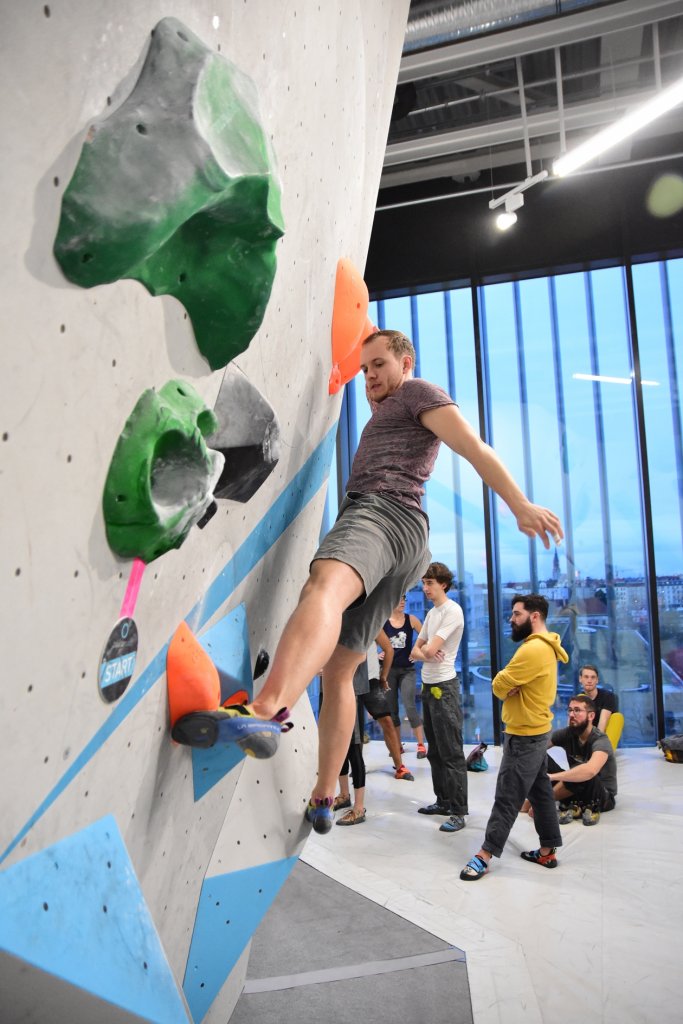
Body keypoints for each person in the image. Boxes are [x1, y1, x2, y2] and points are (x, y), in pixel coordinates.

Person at [171, 330, 563, 837]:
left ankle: (265, 709)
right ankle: (323, 796)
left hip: (381, 514)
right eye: (365, 370)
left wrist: (519, 504)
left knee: (324, 588)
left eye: (380, 365)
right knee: (340, 670)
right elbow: (370, 335)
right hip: (406, 542)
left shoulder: (417, 392)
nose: (371, 376)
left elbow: (472, 445)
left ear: (407, 361)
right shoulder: (390, 405)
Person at [460, 594, 568, 881]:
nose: (511, 618)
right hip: (534, 730)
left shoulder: (532, 651)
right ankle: (548, 851)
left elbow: (498, 685)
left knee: (507, 796)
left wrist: (507, 686)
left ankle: (484, 855)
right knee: (541, 793)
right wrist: (510, 685)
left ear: (535, 616)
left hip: (524, 734)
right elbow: (506, 684)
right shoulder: (545, 647)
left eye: (517, 614)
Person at [411, 563, 468, 833]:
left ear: (443, 584)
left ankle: (458, 811)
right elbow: (416, 651)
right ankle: (443, 801)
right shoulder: (432, 613)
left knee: (452, 752)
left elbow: (430, 648)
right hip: (428, 684)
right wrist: (425, 652)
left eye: (429, 583)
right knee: (435, 750)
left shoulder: (452, 611)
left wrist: (426, 651)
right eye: (423, 583)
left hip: (445, 687)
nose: (425, 588)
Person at [547, 693, 617, 826]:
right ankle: (572, 803)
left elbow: (590, 771)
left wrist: (550, 780)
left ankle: (556, 800)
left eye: (577, 710)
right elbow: (539, 748)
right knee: (538, 758)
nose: (572, 714)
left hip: (602, 795)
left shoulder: (601, 740)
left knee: (581, 770)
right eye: (570, 710)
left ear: (591, 716)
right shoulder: (568, 733)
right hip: (576, 788)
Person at [383, 596, 426, 757]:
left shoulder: (411, 620)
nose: (402, 602)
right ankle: (397, 746)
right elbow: (370, 641)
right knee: (392, 709)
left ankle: (421, 745)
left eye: (404, 599)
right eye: (398, 599)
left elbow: (425, 637)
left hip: (407, 670)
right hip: (388, 671)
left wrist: (417, 653)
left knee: (410, 706)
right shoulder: (383, 622)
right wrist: (378, 654)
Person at [578, 664, 617, 732]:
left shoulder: (608, 696)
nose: (589, 680)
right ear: (580, 679)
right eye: (586, 677)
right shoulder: (579, 699)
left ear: (597, 680)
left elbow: (601, 727)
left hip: (603, 738)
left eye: (593, 677)